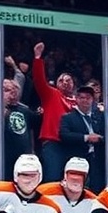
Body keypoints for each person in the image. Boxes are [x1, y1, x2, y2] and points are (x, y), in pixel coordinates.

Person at [31, 41, 76, 183]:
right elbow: (39, 81)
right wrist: (38, 58)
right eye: (61, 80)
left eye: (68, 80)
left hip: (73, 144)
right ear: (56, 84)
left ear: (74, 84)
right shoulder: (52, 94)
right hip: (53, 143)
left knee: (72, 181)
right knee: (53, 180)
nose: (65, 82)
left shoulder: (79, 102)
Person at [57, 84, 106, 192]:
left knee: (97, 189)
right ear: (76, 99)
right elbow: (64, 135)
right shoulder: (68, 117)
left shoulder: (100, 116)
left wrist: (100, 138)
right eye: (81, 97)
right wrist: (86, 138)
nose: (85, 100)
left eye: (88, 98)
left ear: (92, 100)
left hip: (97, 160)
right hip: (77, 159)